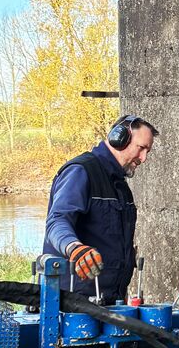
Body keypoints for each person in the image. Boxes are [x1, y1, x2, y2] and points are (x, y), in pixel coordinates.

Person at [42, 115, 158, 304]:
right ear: (119, 138)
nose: (143, 158)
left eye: (148, 151)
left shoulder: (121, 188)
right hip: (73, 301)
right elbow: (57, 221)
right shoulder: (81, 171)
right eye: (141, 148)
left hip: (109, 301)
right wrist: (75, 249)